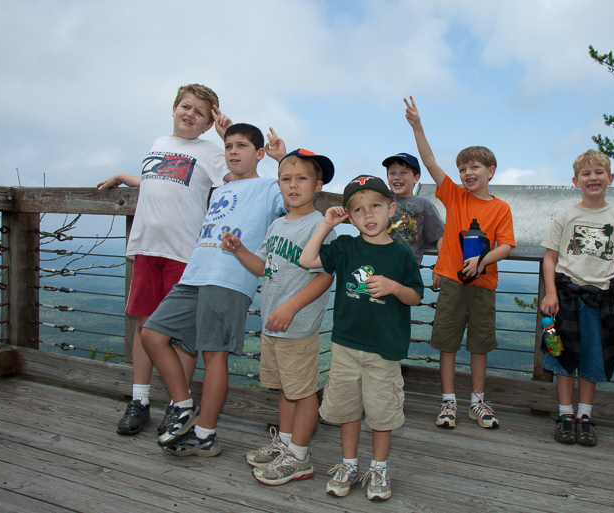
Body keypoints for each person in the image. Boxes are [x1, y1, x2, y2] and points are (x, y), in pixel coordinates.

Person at [141, 123, 286, 457]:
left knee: (213, 354)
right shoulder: (220, 190)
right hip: (195, 273)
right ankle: (183, 406)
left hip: (230, 278)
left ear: (260, 154)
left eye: (242, 146)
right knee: (152, 333)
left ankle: (205, 434)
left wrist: (283, 159)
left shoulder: (269, 187)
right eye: (229, 146)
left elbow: (299, 193)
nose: (233, 151)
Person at [98, 84, 231, 436]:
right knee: (144, 326)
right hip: (147, 247)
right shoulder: (159, 143)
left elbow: (236, 181)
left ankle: (178, 405)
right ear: (174, 108)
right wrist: (123, 177)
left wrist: (227, 135)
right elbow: (160, 180)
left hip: (183, 252)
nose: (190, 113)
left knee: (180, 335)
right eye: (185, 106)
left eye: (199, 112)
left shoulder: (210, 151)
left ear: (207, 123)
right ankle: (139, 400)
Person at [300, 175, 424, 501]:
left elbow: (415, 296)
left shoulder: (401, 255)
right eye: (358, 210)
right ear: (350, 217)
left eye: (376, 207)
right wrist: (327, 224)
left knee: (382, 413)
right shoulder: (345, 247)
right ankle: (348, 464)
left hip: (384, 349)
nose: (368, 215)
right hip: (345, 345)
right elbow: (307, 259)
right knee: (347, 408)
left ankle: (379, 467)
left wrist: (394, 288)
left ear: (391, 209)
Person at [219, 148, 336, 485]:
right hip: (273, 325)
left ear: (318, 186)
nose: (293, 185)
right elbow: (264, 266)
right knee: (286, 389)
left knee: (303, 392)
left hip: (296, 326)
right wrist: (239, 249)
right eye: (286, 179)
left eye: (302, 178)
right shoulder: (277, 225)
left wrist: (291, 306)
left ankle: (300, 456)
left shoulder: (320, 226)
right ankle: (285, 443)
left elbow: (326, 275)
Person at [404, 95, 515, 429]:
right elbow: (430, 161)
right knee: (447, 344)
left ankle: (477, 403)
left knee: (480, 346)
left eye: (474, 167)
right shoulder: (453, 195)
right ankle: (448, 402)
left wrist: (482, 262)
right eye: (463, 168)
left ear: (490, 171)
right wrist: (417, 126)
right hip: (453, 282)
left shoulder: (500, 208)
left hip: (483, 285)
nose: (467, 172)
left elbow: (506, 246)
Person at [539, 149, 614, 446]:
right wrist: (551, 293)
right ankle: (564, 414)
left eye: (598, 172)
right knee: (560, 354)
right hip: (566, 296)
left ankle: (585, 415)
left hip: (600, 299)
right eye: (586, 173)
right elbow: (549, 258)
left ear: (610, 178)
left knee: (592, 356)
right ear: (575, 181)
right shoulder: (566, 216)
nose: (592, 177)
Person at [383, 152, 445, 277]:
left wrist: (441, 266)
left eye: (403, 173)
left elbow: (441, 236)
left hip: (407, 270)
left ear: (416, 178)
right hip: (377, 265)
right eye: (392, 173)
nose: (396, 177)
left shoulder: (423, 204)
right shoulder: (382, 199)